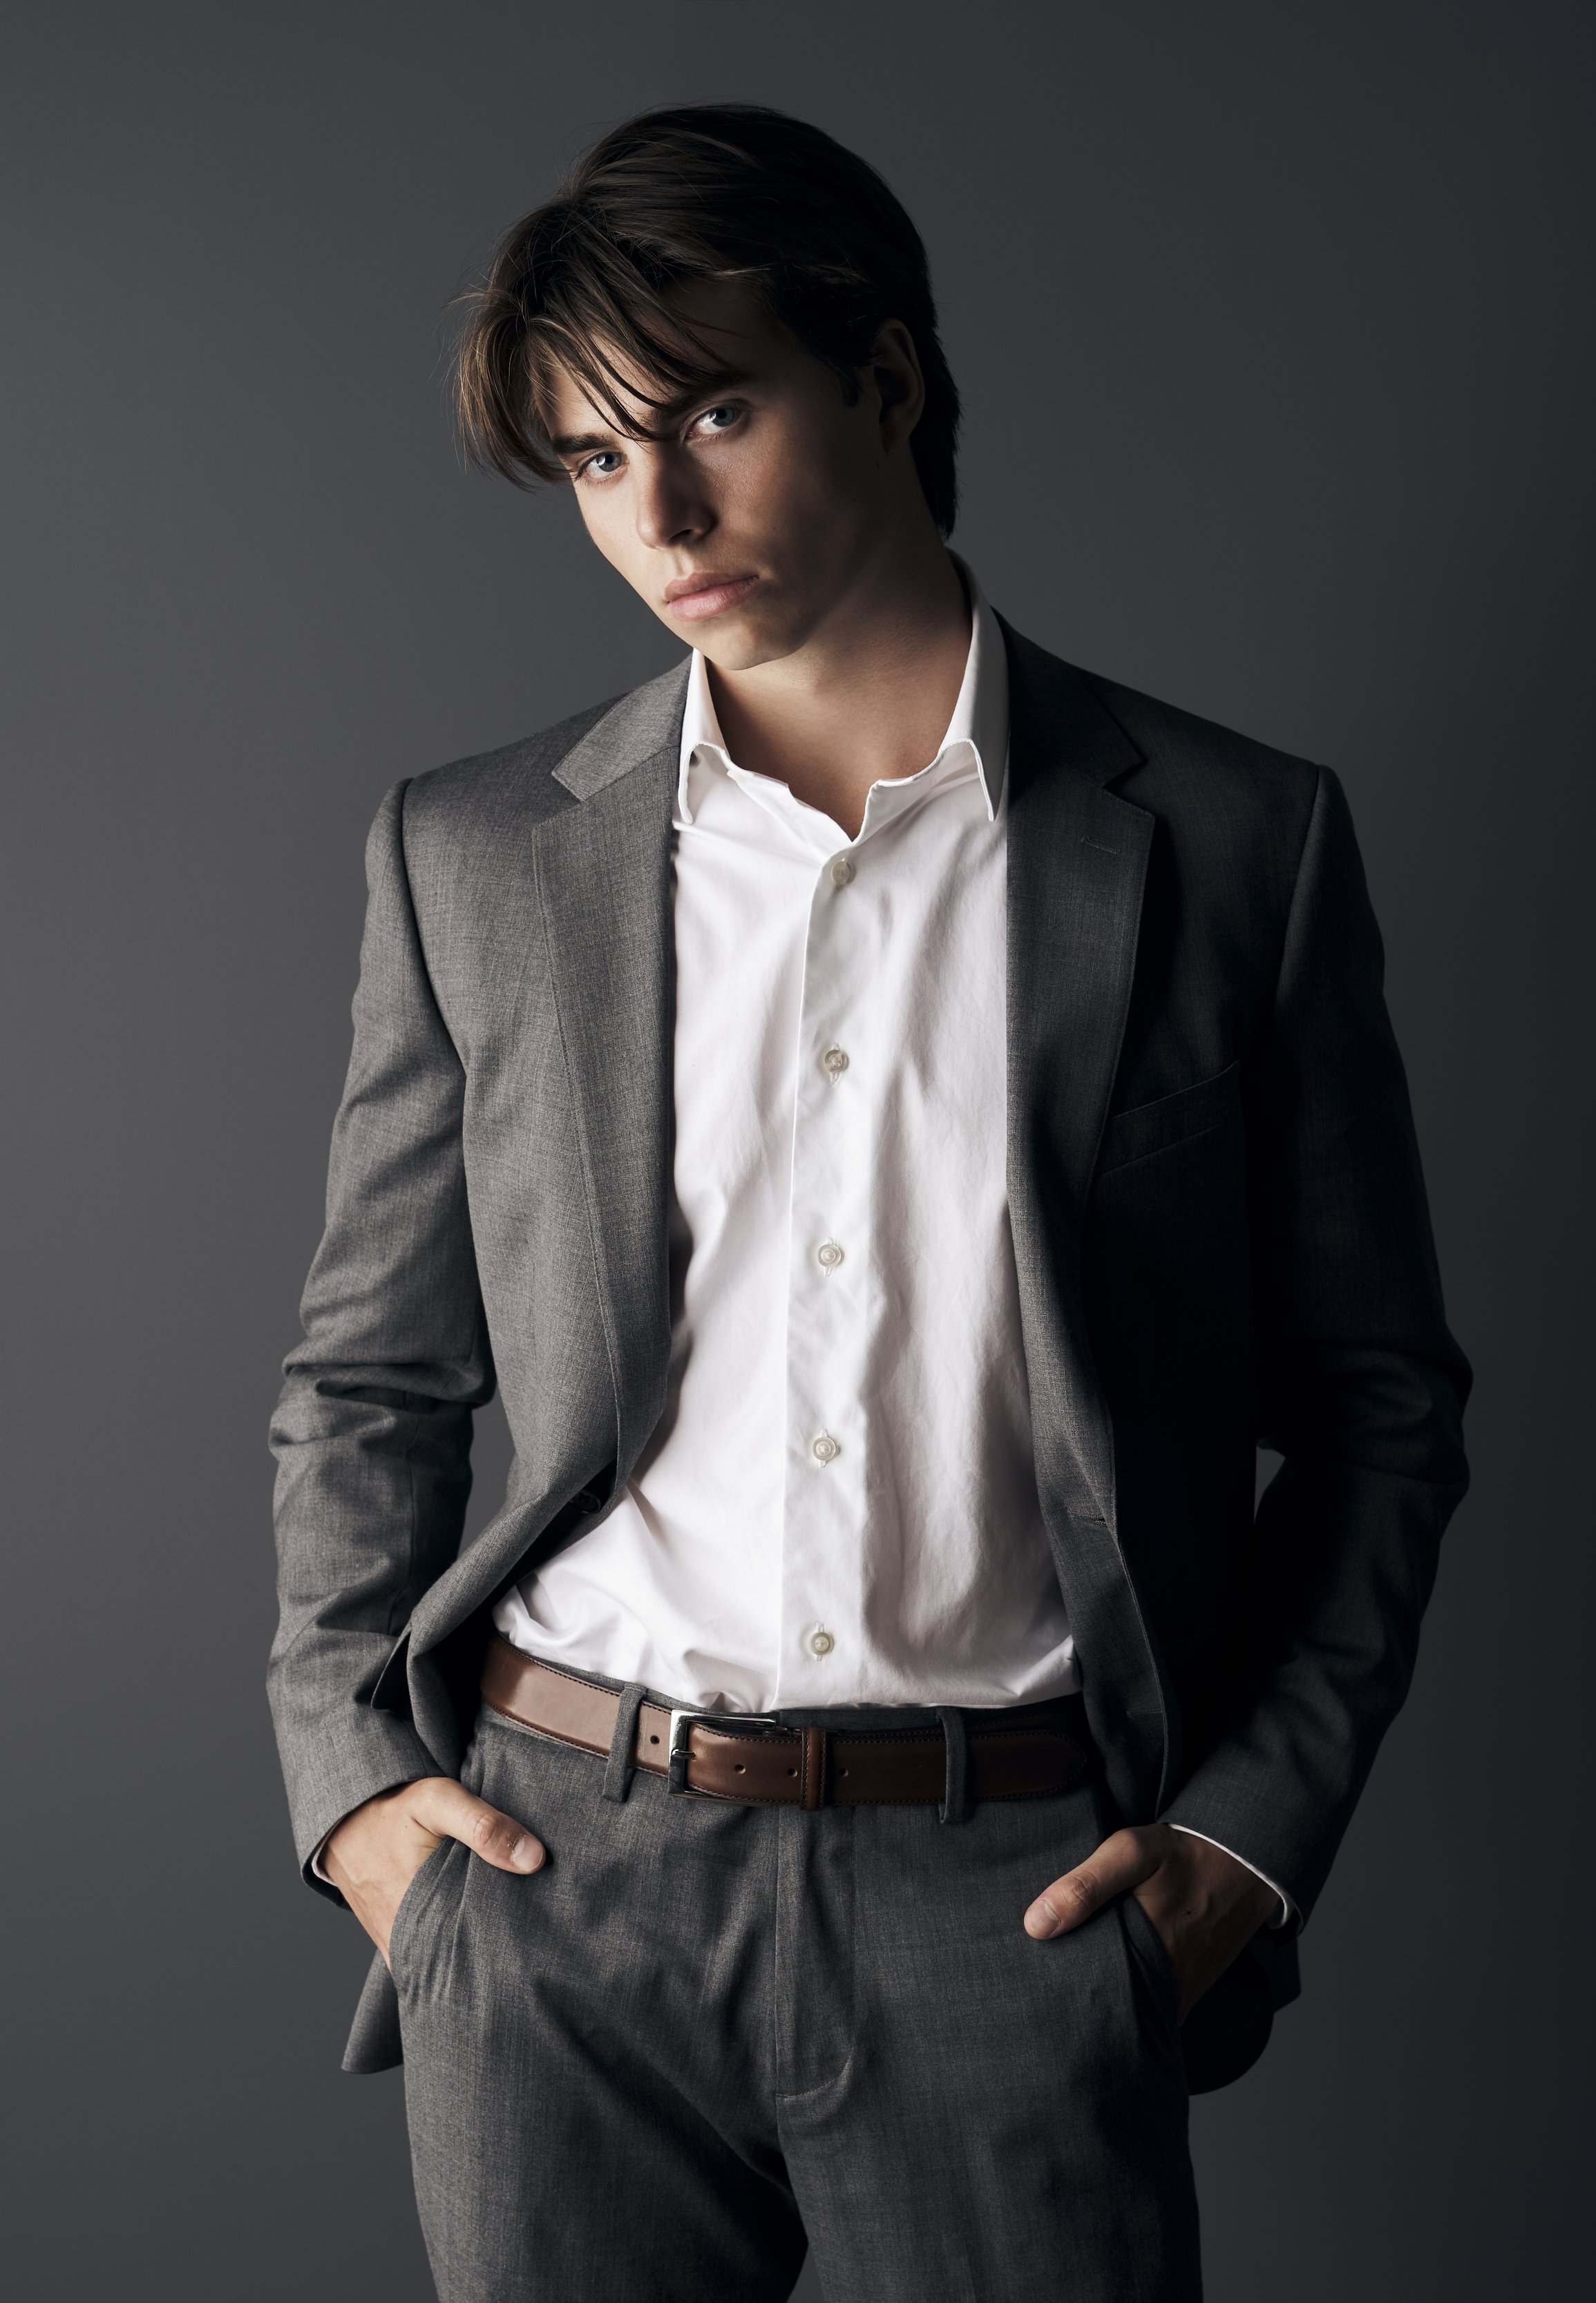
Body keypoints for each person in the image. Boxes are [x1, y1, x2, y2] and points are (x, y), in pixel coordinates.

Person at [268, 102, 1470, 2303]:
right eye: (593, 459)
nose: (658, 514)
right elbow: (367, 1373)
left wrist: (1247, 1833)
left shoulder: (1229, 844)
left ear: (887, 379)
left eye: (712, 414)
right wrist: (351, 1785)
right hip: (557, 1882)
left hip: (1012, 1897)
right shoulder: (473, 857)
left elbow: (1379, 1403)